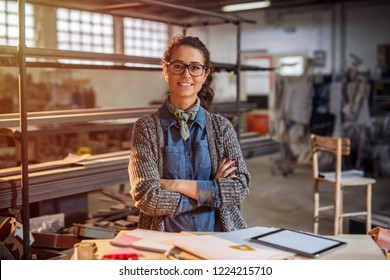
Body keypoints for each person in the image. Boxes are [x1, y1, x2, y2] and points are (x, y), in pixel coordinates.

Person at [128, 35, 250, 232]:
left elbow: (239, 189)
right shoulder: (146, 128)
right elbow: (147, 198)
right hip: (164, 242)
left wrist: (174, 184)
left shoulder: (222, 128)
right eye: (178, 66)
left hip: (217, 238)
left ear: (205, 74)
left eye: (195, 67)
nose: (186, 75)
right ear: (166, 70)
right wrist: (211, 190)